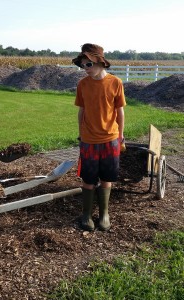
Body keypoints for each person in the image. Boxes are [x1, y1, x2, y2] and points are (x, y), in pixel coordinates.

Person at [72, 43, 126, 231]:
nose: (85, 69)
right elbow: (82, 111)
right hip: (88, 140)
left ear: (100, 63)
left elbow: (119, 112)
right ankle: (86, 214)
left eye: (88, 64)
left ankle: (104, 214)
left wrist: (120, 136)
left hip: (110, 138)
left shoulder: (115, 83)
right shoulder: (82, 85)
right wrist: (81, 134)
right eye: (82, 65)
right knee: (88, 178)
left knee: (107, 177)